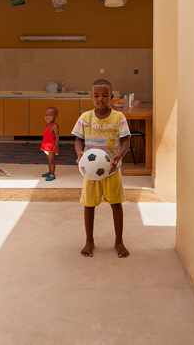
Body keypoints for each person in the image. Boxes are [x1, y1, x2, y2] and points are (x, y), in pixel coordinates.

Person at [72, 79, 131, 258]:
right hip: (91, 172)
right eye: (96, 95)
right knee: (89, 205)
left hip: (112, 170)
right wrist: (80, 153)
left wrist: (118, 156)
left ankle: (119, 241)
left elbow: (126, 140)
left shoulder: (119, 117)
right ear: (91, 97)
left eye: (105, 95)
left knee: (116, 204)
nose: (100, 99)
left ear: (111, 97)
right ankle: (89, 241)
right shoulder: (85, 118)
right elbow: (78, 139)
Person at [40, 106, 59, 181]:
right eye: (46, 115)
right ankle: (50, 172)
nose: (48, 117)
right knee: (48, 161)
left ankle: (52, 174)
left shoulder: (54, 126)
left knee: (52, 161)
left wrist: (55, 146)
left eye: (51, 115)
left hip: (51, 147)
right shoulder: (46, 125)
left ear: (56, 116)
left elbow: (57, 137)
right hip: (46, 147)